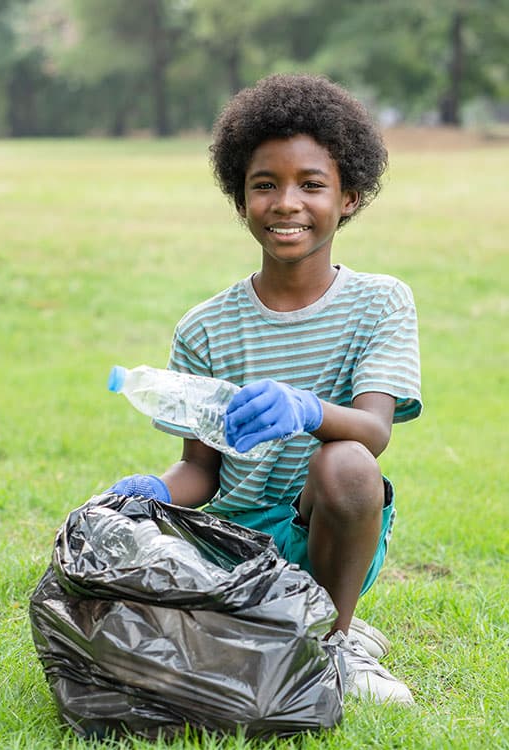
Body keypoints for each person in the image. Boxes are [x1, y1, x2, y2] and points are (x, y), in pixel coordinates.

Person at [109, 74, 422, 705]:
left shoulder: (380, 302)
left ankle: (331, 644)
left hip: (327, 526)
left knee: (348, 462)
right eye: (264, 185)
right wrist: (155, 491)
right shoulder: (205, 327)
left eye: (311, 184)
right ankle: (304, 621)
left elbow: (374, 432)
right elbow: (201, 471)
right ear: (240, 198)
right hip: (234, 543)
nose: (286, 203)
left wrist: (308, 410)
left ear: (350, 197)